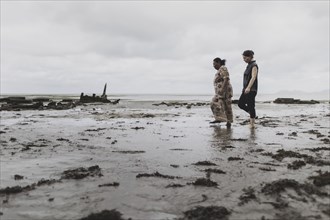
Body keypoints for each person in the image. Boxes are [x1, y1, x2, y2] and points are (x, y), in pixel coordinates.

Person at [210, 57, 233, 127]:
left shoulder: (223, 68)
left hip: (225, 91)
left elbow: (226, 78)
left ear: (218, 63)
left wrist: (222, 89)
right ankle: (224, 120)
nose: (213, 66)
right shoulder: (220, 70)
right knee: (224, 106)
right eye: (213, 64)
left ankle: (223, 120)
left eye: (214, 64)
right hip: (220, 92)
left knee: (216, 103)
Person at [238, 50, 259, 128]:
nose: (244, 59)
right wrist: (245, 88)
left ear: (250, 57)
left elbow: (253, 77)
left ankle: (252, 124)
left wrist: (249, 88)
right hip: (245, 89)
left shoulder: (254, 65)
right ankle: (253, 115)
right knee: (240, 104)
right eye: (243, 58)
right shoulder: (248, 65)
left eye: (245, 58)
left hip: (251, 89)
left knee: (251, 106)